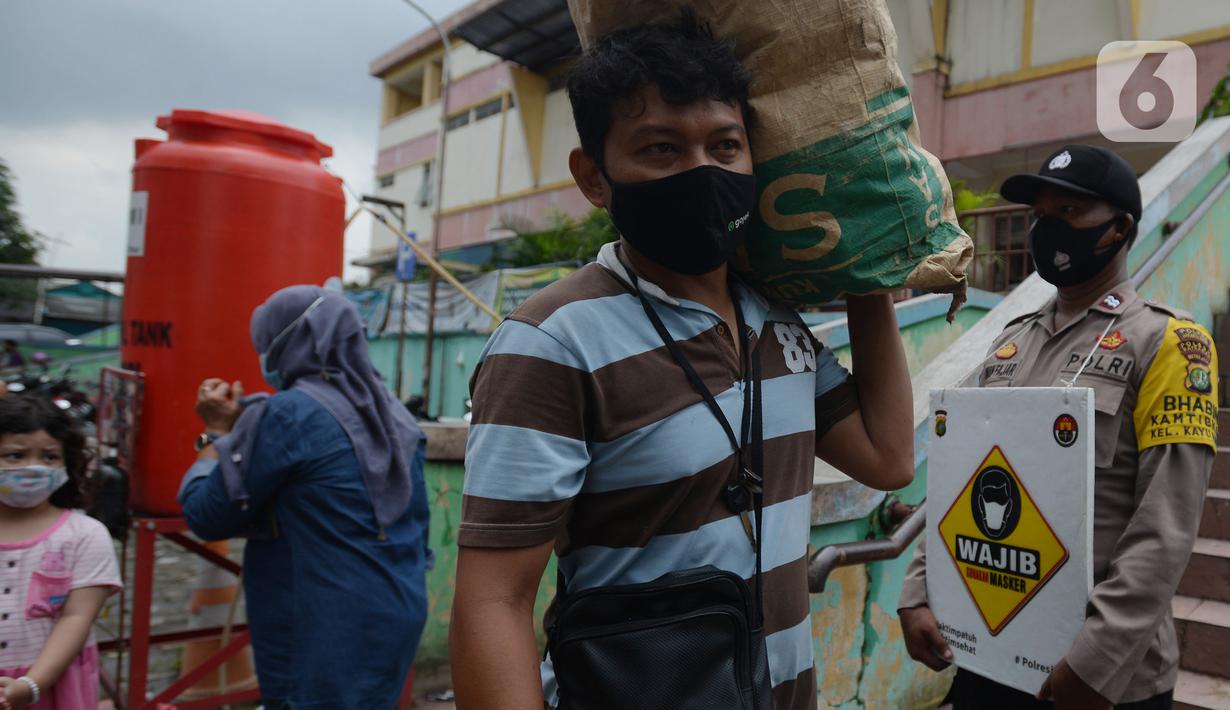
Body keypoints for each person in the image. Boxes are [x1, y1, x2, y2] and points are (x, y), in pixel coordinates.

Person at [450, 16, 914, 710]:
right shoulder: (553, 342)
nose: (702, 171)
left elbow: (887, 458)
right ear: (594, 177)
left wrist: (867, 270)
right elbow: (494, 600)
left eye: (724, 146)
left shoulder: (775, 321)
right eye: (660, 149)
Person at [898, 145, 1218, 710]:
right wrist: (919, 591)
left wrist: (1093, 665)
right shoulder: (1010, 342)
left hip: (1102, 677)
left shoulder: (1166, 344)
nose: (1047, 230)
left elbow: (1164, 530)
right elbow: (961, 481)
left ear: (1119, 228)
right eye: (1041, 216)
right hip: (990, 651)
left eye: (1068, 214)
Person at [178, 285, 432, 709]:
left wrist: (216, 436)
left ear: (287, 343)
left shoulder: (290, 414)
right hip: (395, 611)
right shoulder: (394, 414)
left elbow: (206, 515)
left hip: (323, 628)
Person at [0, 395, 121, 709]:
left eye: (49, 457)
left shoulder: (85, 536)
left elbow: (76, 618)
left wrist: (32, 685)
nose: (33, 468)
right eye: (15, 455)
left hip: (51, 687)